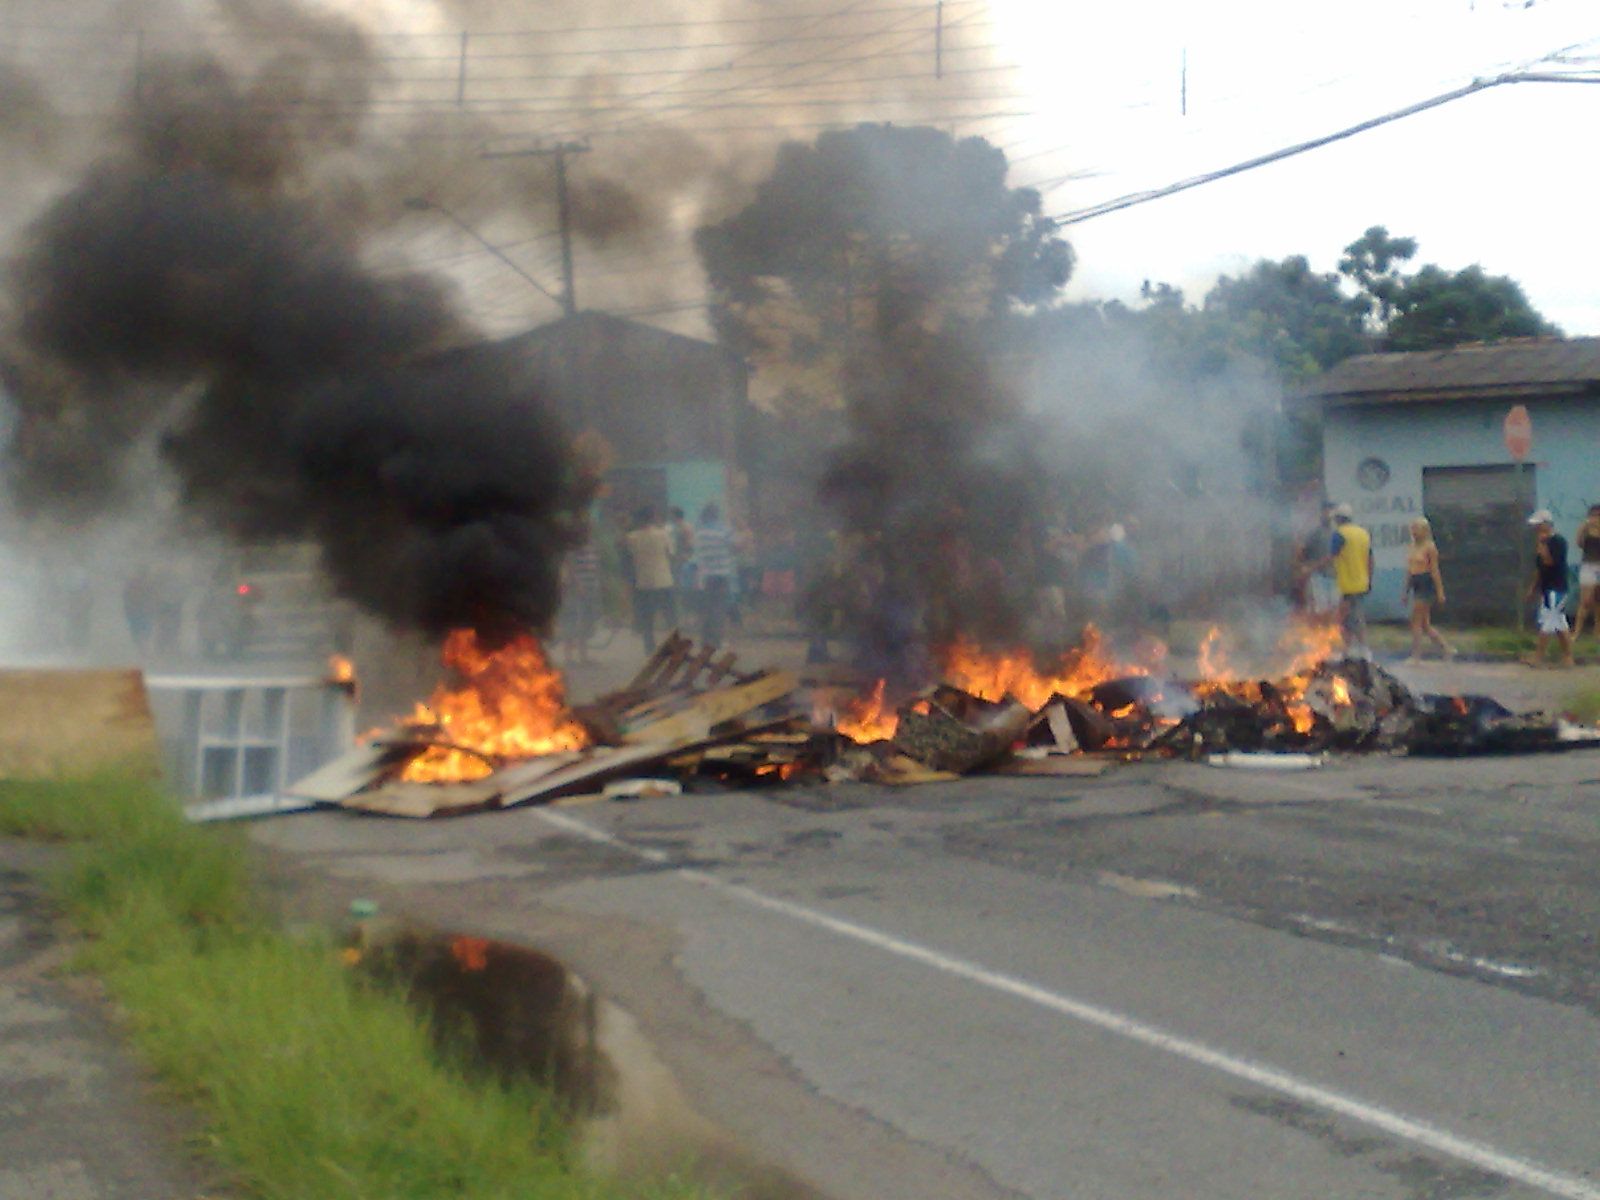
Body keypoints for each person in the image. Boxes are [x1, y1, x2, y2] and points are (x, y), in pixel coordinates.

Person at [1319, 503, 1373, 659]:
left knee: (1353, 618)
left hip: (1348, 584)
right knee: (1349, 617)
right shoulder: (1363, 534)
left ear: (1338, 519)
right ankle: (1348, 650)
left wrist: (1310, 568)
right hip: (1361, 582)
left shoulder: (1339, 535)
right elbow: (1370, 559)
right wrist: (1369, 579)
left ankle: (1363, 650)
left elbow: (1331, 557)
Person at [1523, 509, 1575, 668]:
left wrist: (1543, 545)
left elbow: (1549, 561)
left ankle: (1538, 657)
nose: (1536, 529)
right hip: (1547, 588)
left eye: (1539, 525)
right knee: (1560, 624)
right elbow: (1539, 568)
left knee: (1548, 622)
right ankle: (1568, 658)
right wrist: (1533, 588)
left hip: (1557, 588)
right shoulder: (1542, 543)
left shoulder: (1558, 541)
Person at [623, 506, 677, 653]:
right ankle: (675, 647)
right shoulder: (663, 534)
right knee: (670, 617)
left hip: (644, 582)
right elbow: (671, 554)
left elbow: (629, 557)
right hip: (664, 580)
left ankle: (650, 649)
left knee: (647, 620)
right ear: (653, 517)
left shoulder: (631, 537)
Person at [1401, 517, 1455, 663]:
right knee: (1425, 625)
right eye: (1412, 529)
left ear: (1425, 531)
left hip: (1426, 583)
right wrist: (1405, 591)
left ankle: (1416, 656)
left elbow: (1435, 570)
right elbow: (1409, 571)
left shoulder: (1430, 548)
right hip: (1415, 582)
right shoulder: (1411, 547)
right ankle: (1446, 648)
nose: (1413, 532)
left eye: (1416, 529)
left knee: (1416, 621)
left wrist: (1440, 591)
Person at [692, 502, 737, 646]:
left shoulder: (699, 532)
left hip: (705, 575)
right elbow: (735, 547)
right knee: (718, 608)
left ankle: (705, 640)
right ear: (717, 515)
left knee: (707, 608)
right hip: (721, 574)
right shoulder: (724, 531)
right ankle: (717, 641)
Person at [1298, 502, 1339, 623]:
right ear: (1321, 513)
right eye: (1325, 511)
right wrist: (1305, 567)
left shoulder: (1338, 532)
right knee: (1320, 608)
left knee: (1334, 607)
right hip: (1318, 576)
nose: (1328, 514)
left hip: (1335, 576)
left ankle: (1331, 630)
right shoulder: (1315, 533)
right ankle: (1321, 630)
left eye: (1330, 511)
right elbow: (1303, 552)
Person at [1573, 504, 1600, 640]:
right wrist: (1584, 527)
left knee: (1598, 600)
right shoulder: (1586, 528)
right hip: (1588, 565)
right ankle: (1576, 632)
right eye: (1593, 515)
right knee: (1585, 601)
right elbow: (1579, 543)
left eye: (1598, 515)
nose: (1595, 518)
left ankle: (1597, 631)